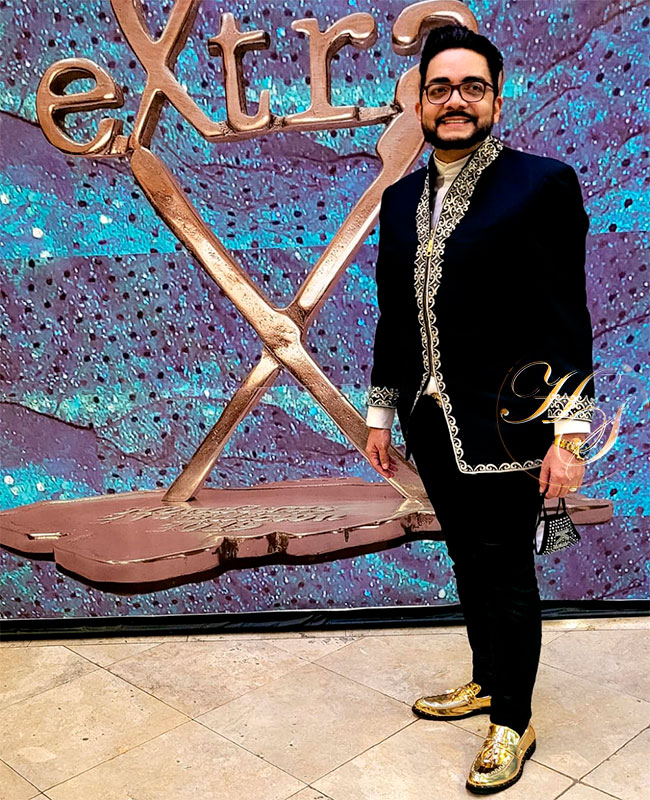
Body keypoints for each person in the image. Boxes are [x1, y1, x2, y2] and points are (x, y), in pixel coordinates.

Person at [364, 24, 595, 794]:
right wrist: (380, 412)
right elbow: (394, 316)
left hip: (509, 421)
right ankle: (488, 679)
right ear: (420, 103)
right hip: (430, 420)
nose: (455, 100)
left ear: (497, 98)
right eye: (440, 88)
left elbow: (564, 315)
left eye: (472, 87)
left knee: (506, 567)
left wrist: (570, 434)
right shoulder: (400, 200)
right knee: (467, 557)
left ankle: (513, 720)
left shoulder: (540, 184)